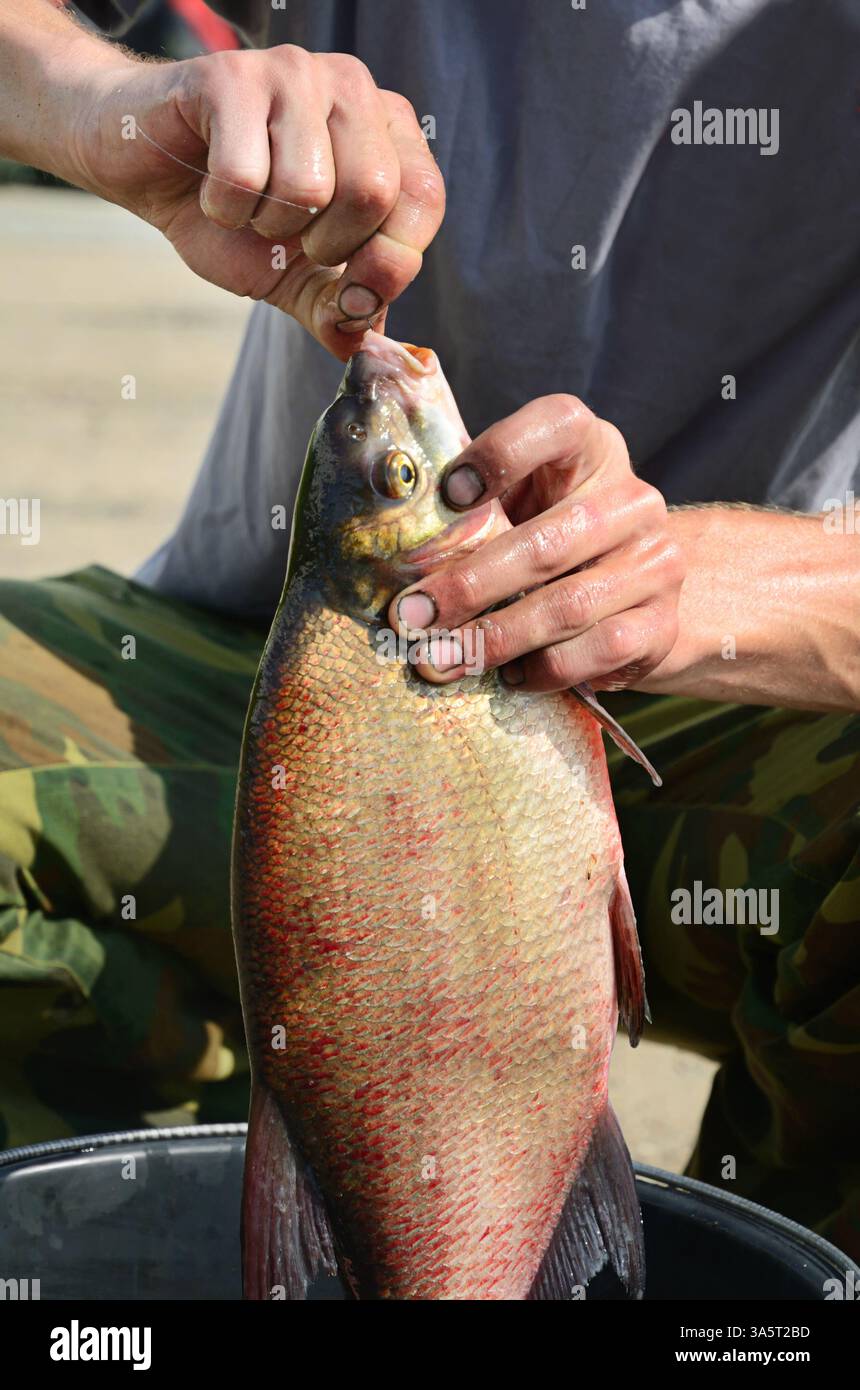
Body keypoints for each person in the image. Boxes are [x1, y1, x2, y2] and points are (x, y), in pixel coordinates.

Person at [0, 0, 857, 1263]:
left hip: (761, 712)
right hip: (276, 693)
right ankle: (166, 1248)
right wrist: (97, 107)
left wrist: (702, 579)